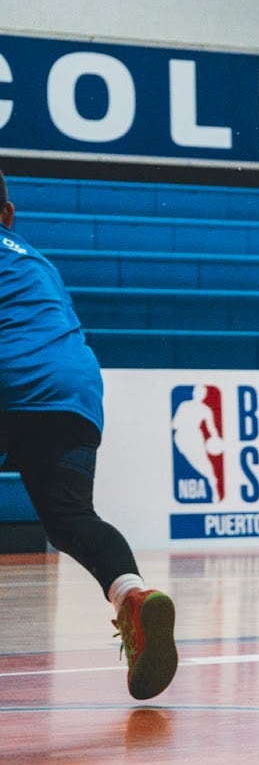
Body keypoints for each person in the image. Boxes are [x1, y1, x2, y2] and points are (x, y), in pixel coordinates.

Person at [0, 169, 178, 700]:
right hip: (73, 386)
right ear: (9, 214)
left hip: (11, 374)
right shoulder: (36, 260)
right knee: (71, 518)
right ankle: (132, 596)